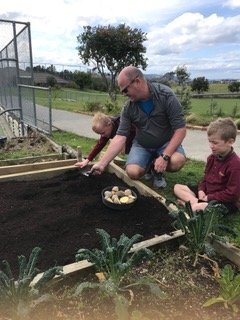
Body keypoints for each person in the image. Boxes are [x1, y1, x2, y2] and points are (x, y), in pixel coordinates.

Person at [90, 66, 187, 188]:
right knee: (132, 172)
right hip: (142, 145)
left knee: (176, 161)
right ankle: (151, 164)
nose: (124, 94)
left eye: (125, 90)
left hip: (165, 143)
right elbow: (120, 137)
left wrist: (165, 156)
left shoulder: (166, 96)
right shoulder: (128, 108)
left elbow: (180, 130)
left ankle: (157, 169)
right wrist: (102, 164)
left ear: (137, 81)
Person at [174, 118, 240, 213]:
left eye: (215, 143)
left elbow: (233, 194)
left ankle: (194, 205)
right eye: (210, 141)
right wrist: (201, 190)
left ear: (230, 142)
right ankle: (195, 203)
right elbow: (205, 179)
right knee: (177, 187)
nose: (211, 146)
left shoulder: (235, 165)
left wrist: (209, 197)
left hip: (224, 201)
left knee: (199, 208)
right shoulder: (211, 158)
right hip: (207, 194)